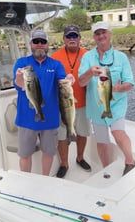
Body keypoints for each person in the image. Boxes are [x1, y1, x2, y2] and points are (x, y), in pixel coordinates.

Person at [78, 21, 135, 175]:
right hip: (96, 107)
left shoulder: (121, 57)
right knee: (102, 140)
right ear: (94, 37)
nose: (101, 36)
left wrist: (119, 88)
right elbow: (81, 82)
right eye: (97, 33)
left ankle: (130, 161)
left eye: (104, 32)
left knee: (118, 133)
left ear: (110, 34)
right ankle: (106, 168)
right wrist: (90, 72)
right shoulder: (87, 57)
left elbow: (130, 83)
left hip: (116, 104)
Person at [13, 29, 73, 176]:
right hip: (26, 119)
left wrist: (69, 80)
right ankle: (26, 179)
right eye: (36, 41)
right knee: (25, 154)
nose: (39, 45)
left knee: (48, 152)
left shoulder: (56, 64)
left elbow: (62, 81)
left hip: (51, 118)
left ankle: (45, 178)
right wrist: (20, 77)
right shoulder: (22, 63)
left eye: (43, 41)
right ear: (30, 44)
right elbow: (18, 85)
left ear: (47, 45)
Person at [52, 25, 92, 178]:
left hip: (83, 103)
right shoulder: (55, 57)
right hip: (62, 104)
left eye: (75, 36)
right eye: (69, 36)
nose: (72, 39)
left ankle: (80, 157)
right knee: (62, 135)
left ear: (80, 38)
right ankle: (64, 163)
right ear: (64, 39)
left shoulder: (88, 55)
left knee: (83, 133)